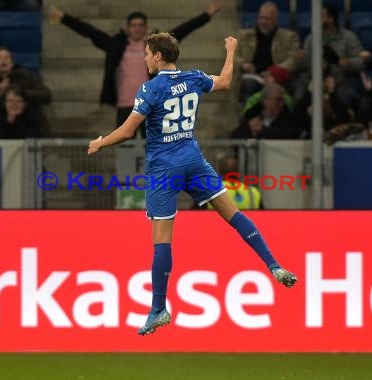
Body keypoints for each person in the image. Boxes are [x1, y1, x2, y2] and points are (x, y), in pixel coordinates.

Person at [87, 33, 297, 336]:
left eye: (147, 53)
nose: (145, 58)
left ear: (159, 56)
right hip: (194, 161)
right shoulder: (194, 77)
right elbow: (224, 81)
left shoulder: (150, 88)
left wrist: (100, 143)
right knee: (234, 216)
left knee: (162, 241)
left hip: (163, 169)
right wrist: (231, 50)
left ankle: (158, 307)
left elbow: (128, 131)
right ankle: (273, 264)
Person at [50, 1, 222, 138]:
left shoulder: (155, 46)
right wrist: (63, 17)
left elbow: (184, 29)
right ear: (127, 28)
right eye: (133, 25)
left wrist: (208, 15)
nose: (137, 28)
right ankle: (127, 183)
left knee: (154, 146)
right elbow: (89, 32)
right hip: (125, 106)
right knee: (125, 149)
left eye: (141, 25)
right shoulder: (115, 45)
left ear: (146, 27)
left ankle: (155, 181)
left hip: (151, 105)